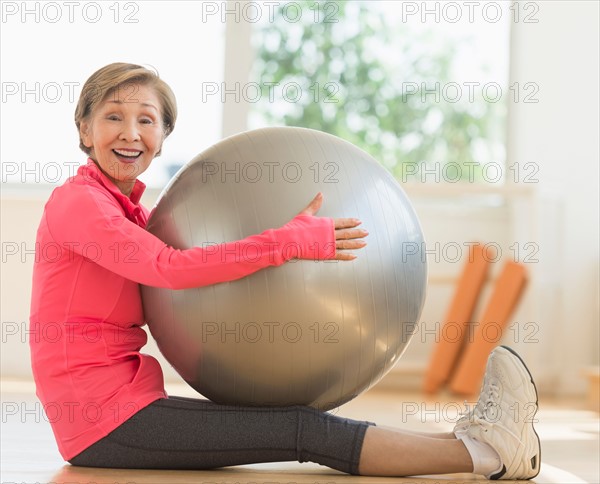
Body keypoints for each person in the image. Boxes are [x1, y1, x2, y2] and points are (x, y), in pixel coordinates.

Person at [29, 62, 541, 479]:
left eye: (146, 120)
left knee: (301, 422)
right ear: (84, 129)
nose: (130, 133)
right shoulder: (78, 204)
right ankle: (489, 456)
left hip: (125, 404)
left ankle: (474, 442)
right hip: (101, 421)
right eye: (113, 117)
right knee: (301, 429)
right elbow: (168, 269)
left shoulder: (131, 212)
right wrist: (289, 241)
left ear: (163, 137)